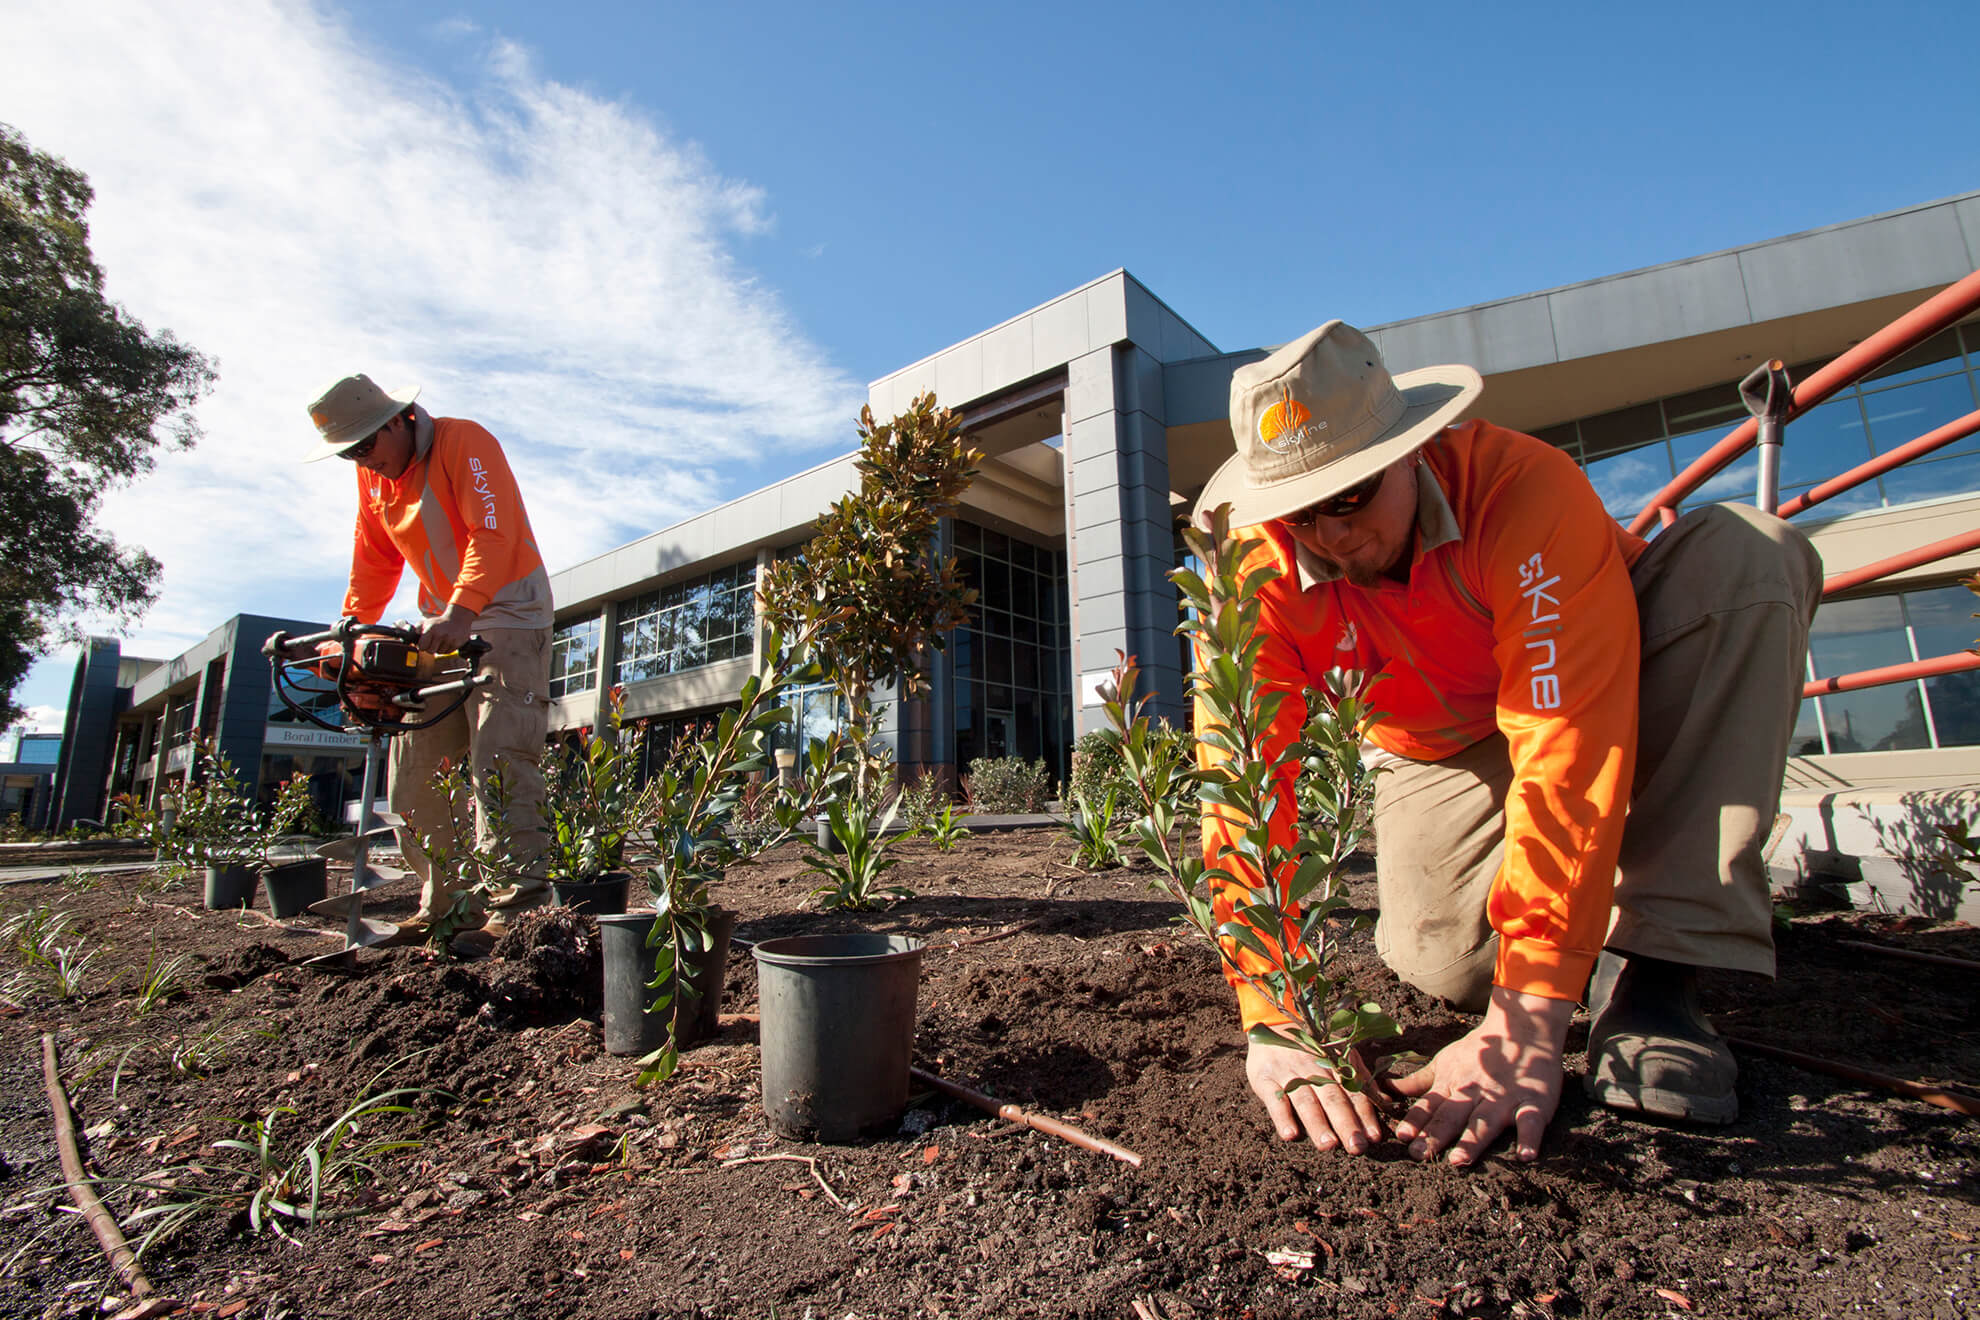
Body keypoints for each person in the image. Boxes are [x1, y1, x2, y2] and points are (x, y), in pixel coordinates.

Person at [1192, 321, 1820, 1166]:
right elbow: (1243, 783)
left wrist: (1525, 1025)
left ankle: (1658, 971)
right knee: (1446, 965)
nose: (1331, 535)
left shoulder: (1520, 489)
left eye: (1350, 496)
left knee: (1751, 553)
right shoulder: (1252, 576)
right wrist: (1277, 1013)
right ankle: (1584, 937)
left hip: (1613, 673)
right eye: (1300, 513)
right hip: (1441, 744)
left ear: (1412, 449)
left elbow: (1565, 740)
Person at [303, 373, 556, 938]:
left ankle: (519, 909)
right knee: (416, 775)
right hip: (441, 627)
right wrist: (345, 636)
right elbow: (371, 563)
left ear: (398, 419)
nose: (362, 461)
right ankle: (449, 904)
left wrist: (464, 608)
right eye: (348, 454)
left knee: (500, 756)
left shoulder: (463, 441)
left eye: (366, 445)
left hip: (508, 615)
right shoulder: (374, 481)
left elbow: (494, 531)